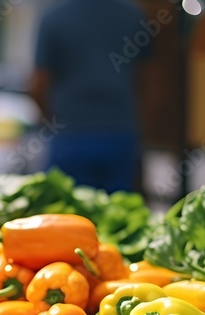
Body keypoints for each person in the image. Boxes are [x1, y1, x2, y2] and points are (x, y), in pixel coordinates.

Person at [29, 0, 146, 192]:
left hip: (70, 134)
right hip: (120, 132)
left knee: (66, 211)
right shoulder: (132, 15)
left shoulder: (53, 17)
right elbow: (150, 79)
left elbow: (38, 84)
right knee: (123, 213)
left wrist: (51, 120)